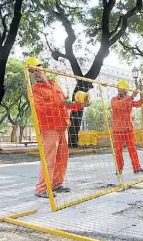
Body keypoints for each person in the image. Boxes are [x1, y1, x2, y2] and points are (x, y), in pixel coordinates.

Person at [27, 57, 90, 198]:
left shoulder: (55, 85)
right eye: (32, 72)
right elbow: (43, 108)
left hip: (62, 125)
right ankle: (41, 189)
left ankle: (56, 184)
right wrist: (61, 102)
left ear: (44, 69)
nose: (36, 73)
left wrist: (80, 105)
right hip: (49, 128)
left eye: (37, 70)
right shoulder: (34, 90)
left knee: (62, 158)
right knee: (49, 159)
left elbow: (66, 104)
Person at [111, 79, 143, 175]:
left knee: (132, 149)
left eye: (123, 89)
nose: (121, 90)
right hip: (118, 129)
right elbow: (121, 105)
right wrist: (132, 97)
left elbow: (137, 104)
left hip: (128, 128)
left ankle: (137, 167)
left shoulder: (128, 99)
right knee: (118, 151)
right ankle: (119, 169)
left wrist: (142, 99)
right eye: (120, 89)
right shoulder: (114, 100)